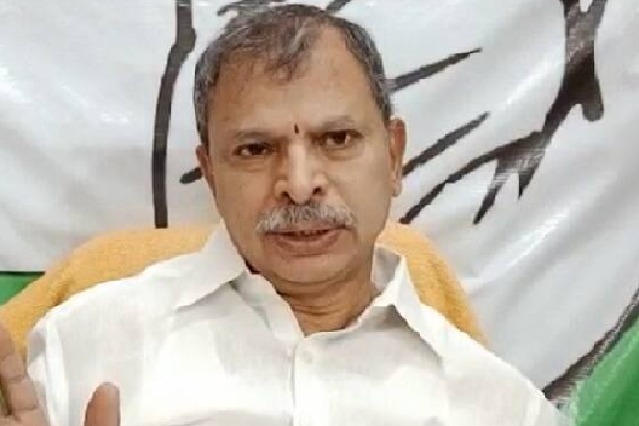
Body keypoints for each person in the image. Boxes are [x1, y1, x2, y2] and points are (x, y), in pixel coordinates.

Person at [0, 4, 564, 425]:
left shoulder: (500, 408)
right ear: (211, 173)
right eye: (255, 149)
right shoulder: (85, 348)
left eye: (337, 139)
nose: (298, 185)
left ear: (394, 157)